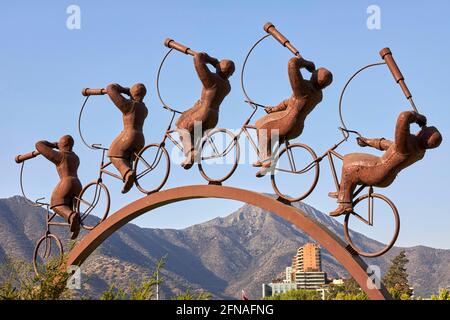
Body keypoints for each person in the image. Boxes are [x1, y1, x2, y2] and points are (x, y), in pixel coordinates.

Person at [330, 111, 442, 217]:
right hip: (388, 176)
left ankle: (344, 204)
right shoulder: (419, 151)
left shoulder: (408, 144)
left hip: (378, 170)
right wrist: (368, 142)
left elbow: (404, 116)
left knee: (350, 167)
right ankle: (344, 191)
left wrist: (418, 117)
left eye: (426, 129)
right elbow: (389, 146)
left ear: (424, 135)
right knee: (350, 157)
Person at [254, 56, 333, 177]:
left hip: (287, 121)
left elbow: (292, 63)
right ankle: (267, 160)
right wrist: (275, 108)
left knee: (261, 124)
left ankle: (266, 159)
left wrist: (307, 63)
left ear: (315, 76)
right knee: (274, 136)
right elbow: (290, 102)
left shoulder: (304, 88)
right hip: (298, 128)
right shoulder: (318, 95)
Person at [176, 52, 235, 169]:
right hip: (213, 117)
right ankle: (192, 154)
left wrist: (212, 60)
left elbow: (198, 58)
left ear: (219, 68)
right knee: (194, 133)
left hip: (203, 114)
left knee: (181, 127)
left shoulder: (212, 80)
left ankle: (191, 153)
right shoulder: (227, 86)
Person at [36, 135, 82, 239]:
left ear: (62, 144)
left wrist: (53, 145)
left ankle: (71, 216)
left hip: (66, 182)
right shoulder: (75, 157)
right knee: (70, 206)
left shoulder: (60, 156)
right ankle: (75, 224)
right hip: (77, 184)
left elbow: (39, 145)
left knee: (55, 204)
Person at [106, 83, 148, 193]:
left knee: (112, 153)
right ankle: (129, 176)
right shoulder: (144, 108)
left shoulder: (129, 106)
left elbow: (110, 88)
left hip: (129, 136)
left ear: (132, 93)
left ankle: (127, 173)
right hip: (140, 139)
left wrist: (123, 90)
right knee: (125, 157)